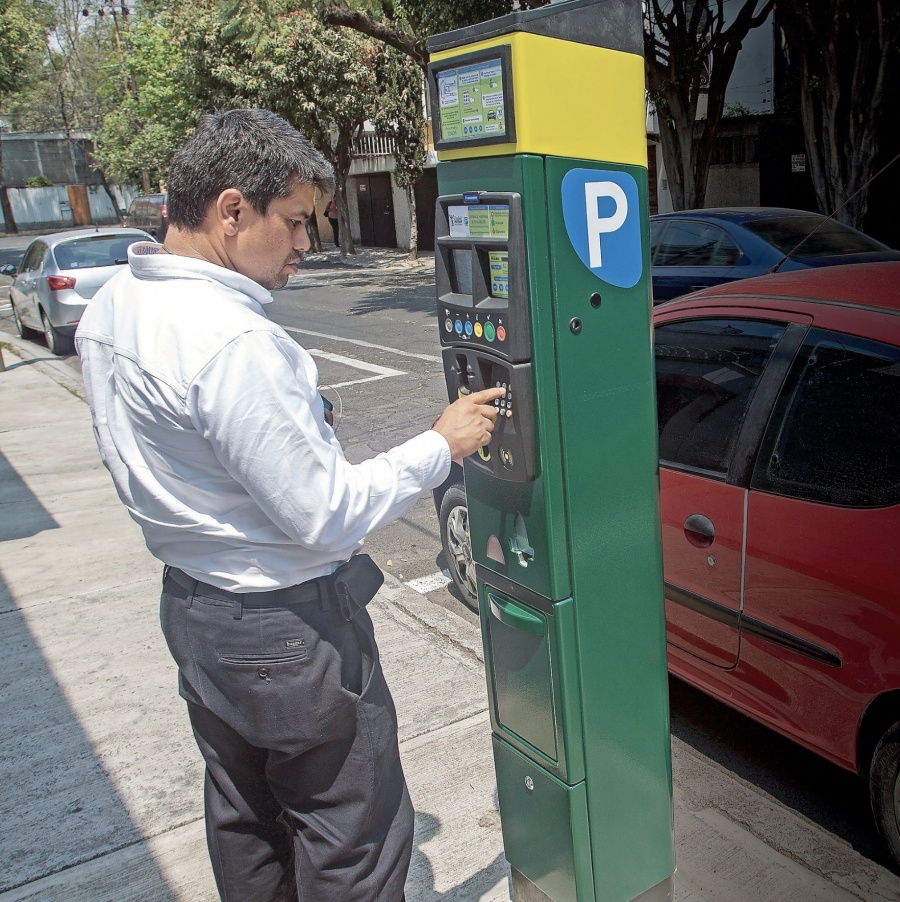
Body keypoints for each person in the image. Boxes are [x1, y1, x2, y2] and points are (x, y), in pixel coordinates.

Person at [75, 108, 503, 902]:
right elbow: (327, 516)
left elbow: (177, 446)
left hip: (195, 612)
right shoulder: (232, 341)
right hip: (288, 633)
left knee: (246, 820)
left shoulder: (113, 306)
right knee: (352, 838)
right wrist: (439, 445)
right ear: (232, 211)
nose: (308, 244)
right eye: (297, 221)